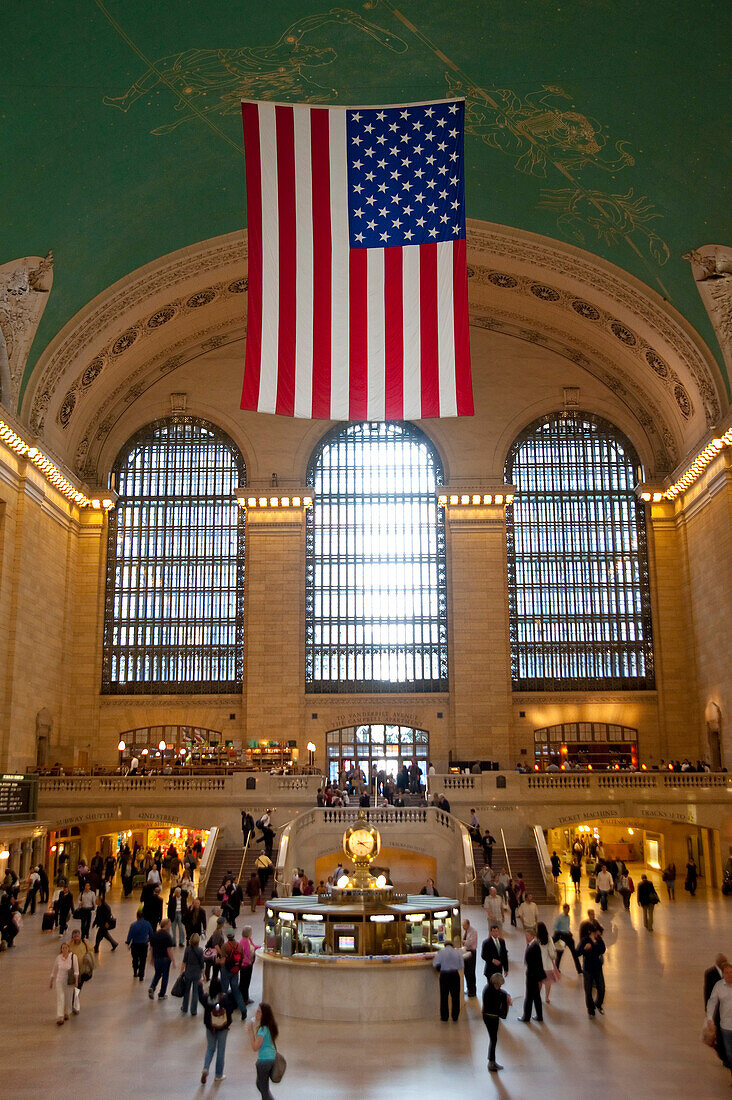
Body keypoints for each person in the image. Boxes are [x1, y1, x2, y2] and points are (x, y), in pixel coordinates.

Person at [201, 983, 236, 1084]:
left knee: (210, 1048)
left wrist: (200, 986)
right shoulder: (224, 999)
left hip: (210, 1027)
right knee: (221, 1050)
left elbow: (200, 996)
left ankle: (206, 1068)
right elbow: (230, 1010)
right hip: (222, 1028)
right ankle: (218, 1075)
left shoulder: (206, 999)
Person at [706, 962, 732, 1078]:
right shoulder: (719, 986)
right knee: (730, 1054)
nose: (729, 975)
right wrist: (710, 1018)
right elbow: (712, 1002)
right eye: (727, 973)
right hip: (726, 1026)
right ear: (723, 974)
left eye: (731, 972)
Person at [248, 1002, 279, 1099]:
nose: (256, 1014)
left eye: (258, 1012)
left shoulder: (262, 1030)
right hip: (271, 1057)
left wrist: (250, 1032)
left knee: (264, 1089)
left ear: (264, 1015)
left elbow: (255, 1047)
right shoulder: (270, 1027)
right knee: (260, 1084)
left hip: (264, 1061)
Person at [482, 973, 511, 1072]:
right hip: (490, 1017)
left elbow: (501, 993)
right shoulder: (490, 992)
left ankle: (492, 1060)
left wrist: (506, 995)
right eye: (498, 985)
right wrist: (505, 998)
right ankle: (491, 1062)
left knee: (493, 1039)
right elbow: (494, 1008)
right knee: (493, 1039)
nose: (499, 987)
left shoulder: (489, 988)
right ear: (494, 983)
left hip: (492, 1017)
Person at [217, 930, 248, 1019]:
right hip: (235, 971)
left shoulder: (225, 946)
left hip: (226, 970)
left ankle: (223, 1010)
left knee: (224, 991)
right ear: (234, 935)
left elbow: (223, 961)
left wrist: (218, 962)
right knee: (236, 991)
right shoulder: (239, 946)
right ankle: (243, 1010)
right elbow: (242, 958)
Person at [432, 936, 464, 1022]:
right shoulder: (457, 952)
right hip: (454, 975)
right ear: (452, 945)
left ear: (445, 945)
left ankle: (444, 1017)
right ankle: (455, 1016)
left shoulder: (441, 952)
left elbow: (435, 964)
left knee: (444, 997)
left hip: (444, 975)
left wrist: (441, 969)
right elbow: (461, 966)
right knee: (455, 997)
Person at [518, 930, 545, 1023]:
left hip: (532, 975)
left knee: (529, 997)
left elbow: (532, 962)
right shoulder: (534, 945)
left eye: (527, 935)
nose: (526, 937)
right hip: (535, 975)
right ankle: (539, 1016)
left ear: (532, 936)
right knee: (536, 996)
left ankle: (526, 1017)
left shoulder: (533, 947)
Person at [578, 926, 606, 1017]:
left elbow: (603, 949)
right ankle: (590, 1009)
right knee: (588, 990)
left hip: (597, 968)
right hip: (588, 969)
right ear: (591, 932)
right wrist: (584, 949)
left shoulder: (598, 939)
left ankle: (598, 1003)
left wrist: (594, 945)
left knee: (601, 988)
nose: (598, 933)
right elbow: (577, 952)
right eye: (596, 932)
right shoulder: (584, 940)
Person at [50, 941, 78, 1025]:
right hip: (59, 980)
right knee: (60, 998)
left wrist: (76, 981)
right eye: (63, 948)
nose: (64, 949)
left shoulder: (73, 957)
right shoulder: (58, 958)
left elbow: (76, 970)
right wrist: (52, 980)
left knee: (68, 997)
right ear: (61, 949)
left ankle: (66, 1012)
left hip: (68, 981)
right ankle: (60, 1016)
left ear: (68, 948)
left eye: (66, 948)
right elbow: (54, 969)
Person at [148, 917, 175, 999]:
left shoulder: (155, 934)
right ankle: (161, 994)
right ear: (166, 925)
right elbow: (169, 950)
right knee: (165, 976)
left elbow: (151, 948)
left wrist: (151, 958)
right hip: (165, 959)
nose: (170, 926)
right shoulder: (167, 936)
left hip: (157, 958)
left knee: (157, 974)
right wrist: (173, 960)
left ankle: (152, 987)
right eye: (169, 924)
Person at [67, 928, 93, 1012]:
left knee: (77, 988)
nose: (76, 938)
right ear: (72, 937)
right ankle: (74, 1004)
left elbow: (91, 951)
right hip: (74, 971)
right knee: (76, 988)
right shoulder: (70, 945)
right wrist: (68, 943)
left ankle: (75, 1005)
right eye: (75, 936)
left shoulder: (85, 943)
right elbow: (63, 953)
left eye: (78, 936)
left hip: (82, 970)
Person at [126, 906, 154, 981]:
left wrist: (128, 942)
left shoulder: (133, 925)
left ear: (137, 916)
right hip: (144, 945)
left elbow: (130, 935)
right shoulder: (147, 924)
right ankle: (141, 975)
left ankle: (135, 971)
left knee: (135, 959)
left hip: (135, 945)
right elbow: (151, 934)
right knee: (143, 960)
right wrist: (150, 941)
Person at [552, 904, 582, 974]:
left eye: (568, 909)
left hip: (568, 936)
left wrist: (569, 932)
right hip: (561, 937)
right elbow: (555, 928)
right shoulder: (559, 917)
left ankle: (579, 969)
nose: (568, 911)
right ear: (564, 909)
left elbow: (567, 927)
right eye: (566, 909)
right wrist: (561, 932)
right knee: (559, 954)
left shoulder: (568, 917)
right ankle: (556, 969)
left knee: (574, 953)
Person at [180, 932, 205, 1016]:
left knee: (186, 991)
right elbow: (202, 964)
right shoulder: (200, 950)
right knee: (195, 992)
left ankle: (184, 1007)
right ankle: (193, 1010)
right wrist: (203, 974)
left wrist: (181, 972)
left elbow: (184, 961)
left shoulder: (187, 949)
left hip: (188, 972)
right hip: (197, 973)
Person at [536, 921, 559, 1004]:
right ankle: (546, 997)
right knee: (548, 982)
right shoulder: (548, 939)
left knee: (539, 982)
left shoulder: (536, 939)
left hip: (539, 966)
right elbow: (552, 953)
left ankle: (537, 996)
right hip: (548, 965)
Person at [239, 925, 261, 1005]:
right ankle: (244, 999)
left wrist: (260, 947)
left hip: (249, 964)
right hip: (245, 966)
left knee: (247, 982)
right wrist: (247, 961)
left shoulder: (249, 940)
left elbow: (253, 947)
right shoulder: (243, 941)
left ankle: (246, 998)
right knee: (244, 983)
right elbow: (243, 954)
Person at [461, 918, 478, 998]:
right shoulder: (463, 931)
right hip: (465, 952)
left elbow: (469, 942)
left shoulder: (473, 932)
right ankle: (468, 988)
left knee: (471, 972)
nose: (463, 927)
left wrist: (463, 941)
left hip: (471, 952)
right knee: (466, 972)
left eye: (464, 925)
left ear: (468, 924)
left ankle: (473, 991)